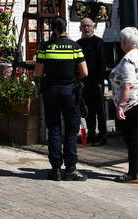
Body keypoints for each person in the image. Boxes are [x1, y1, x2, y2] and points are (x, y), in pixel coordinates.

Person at [33, 16, 88, 181]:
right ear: (66, 28)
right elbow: (85, 73)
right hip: (70, 92)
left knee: (54, 129)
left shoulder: (45, 47)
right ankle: (70, 169)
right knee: (71, 130)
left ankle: (56, 169)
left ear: (52, 29)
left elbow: (37, 73)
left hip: (51, 92)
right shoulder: (74, 47)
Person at [109, 26, 138, 183]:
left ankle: (132, 174)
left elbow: (129, 85)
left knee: (132, 138)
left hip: (134, 103)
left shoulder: (128, 60)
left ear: (124, 42)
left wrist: (121, 105)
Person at [77, 18, 107, 145]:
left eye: (89, 26)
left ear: (93, 27)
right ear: (80, 28)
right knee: (88, 110)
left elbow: (102, 63)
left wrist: (100, 81)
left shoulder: (98, 42)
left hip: (96, 81)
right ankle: (91, 134)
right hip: (84, 81)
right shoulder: (78, 43)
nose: (86, 28)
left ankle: (102, 136)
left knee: (100, 110)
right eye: (84, 26)